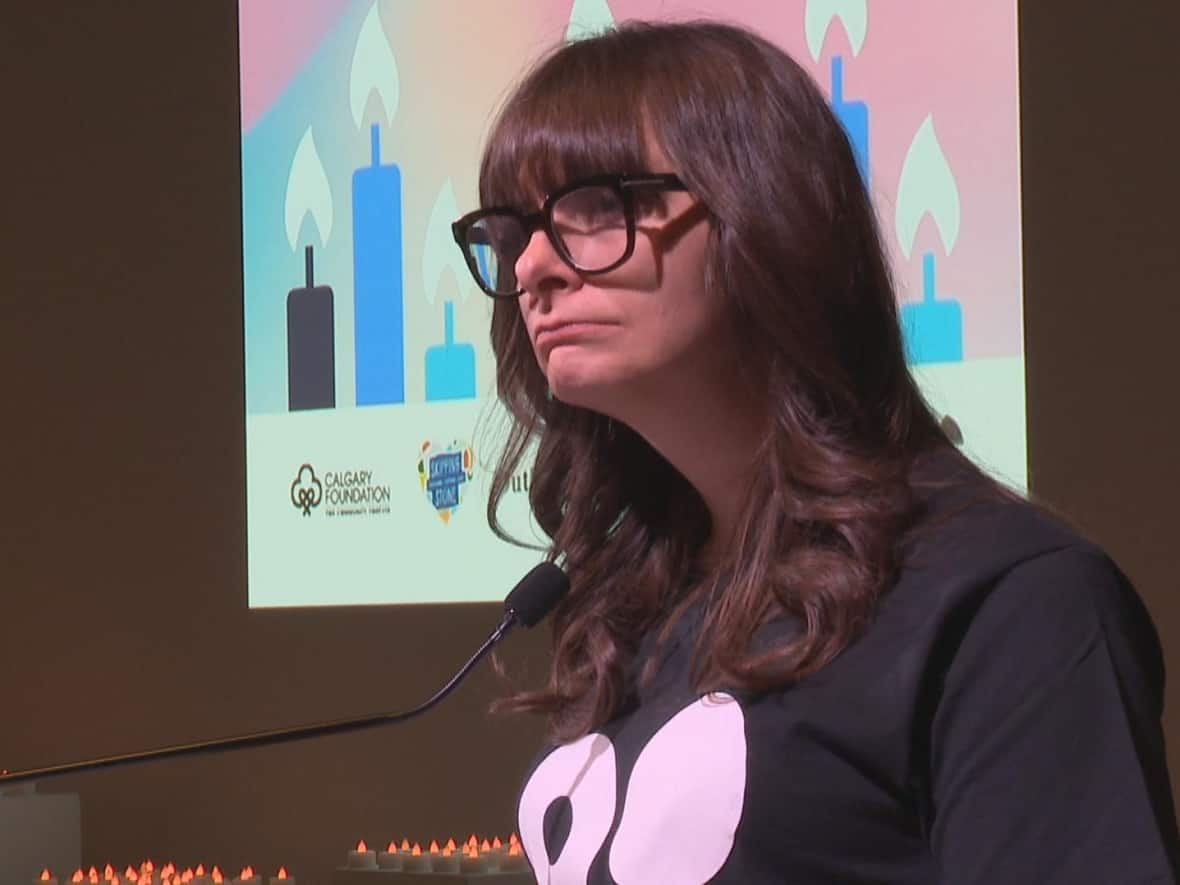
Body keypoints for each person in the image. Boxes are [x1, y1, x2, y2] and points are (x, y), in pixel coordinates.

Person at [450, 20, 1180, 884]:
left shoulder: (1010, 598)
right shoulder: (636, 609)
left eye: (597, 206)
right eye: (511, 231)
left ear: (763, 216)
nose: (533, 265)